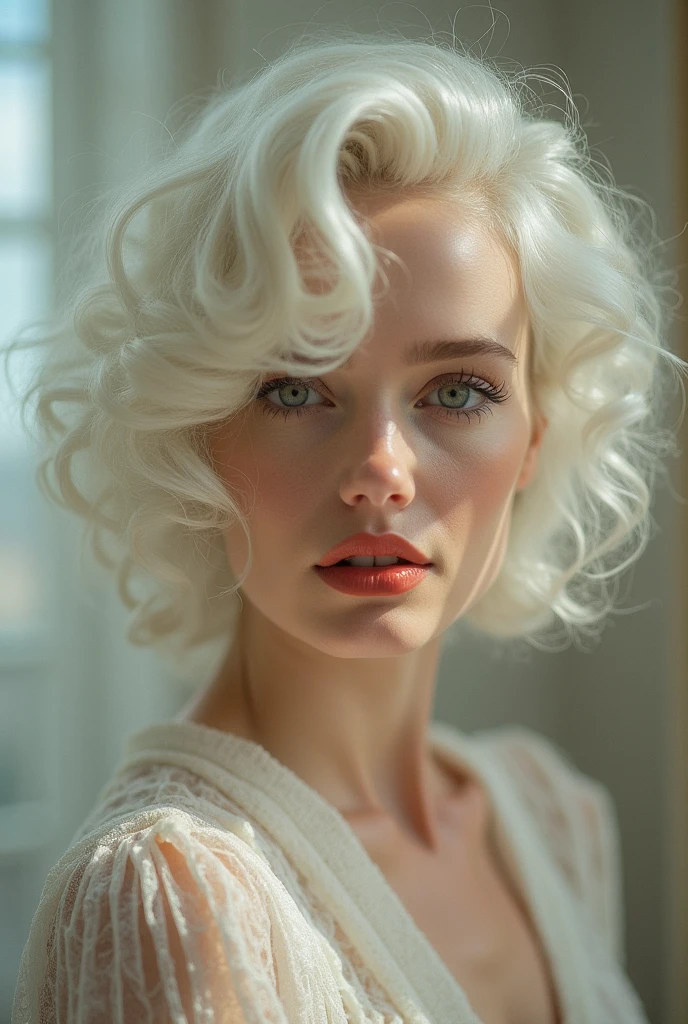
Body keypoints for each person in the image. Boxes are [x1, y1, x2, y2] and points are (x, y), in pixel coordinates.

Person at [6, 25, 685, 1024]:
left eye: (456, 391)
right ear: (199, 433)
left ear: (533, 435)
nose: (380, 471)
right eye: (293, 389)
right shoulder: (175, 894)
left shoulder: (548, 813)